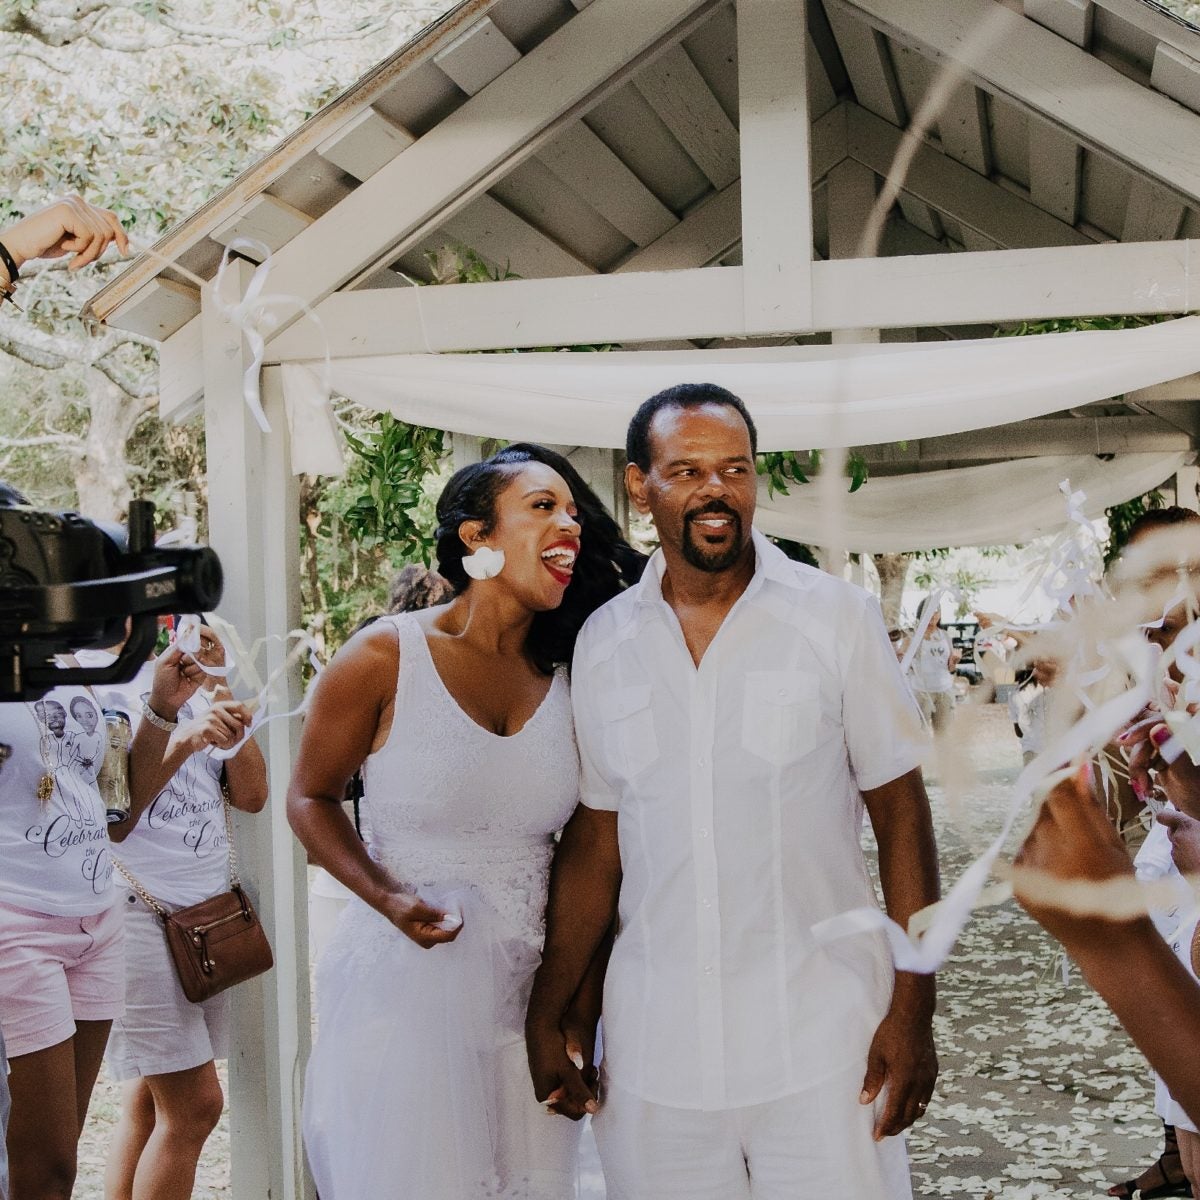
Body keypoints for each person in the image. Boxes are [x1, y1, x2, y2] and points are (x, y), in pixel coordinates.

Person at [526, 383, 940, 1199]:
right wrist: (555, 1003)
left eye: (736, 469)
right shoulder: (604, 644)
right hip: (655, 1054)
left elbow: (902, 815)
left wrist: (913, 1007)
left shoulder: (837, 618)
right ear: (641, 487)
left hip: (824, 1039)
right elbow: (597, 843)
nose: (716, 490)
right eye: (687, 470)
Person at [288, 444, 642, 1199]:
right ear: (477, 537)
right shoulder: (385, 657)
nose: (569, 526)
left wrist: (577, 1004)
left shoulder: (574, 674)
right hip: (409, 996)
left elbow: (592, 846)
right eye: (543, 507)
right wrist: (385, 896)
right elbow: (309, 797)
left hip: (533, 1004)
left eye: (575, 514)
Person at [93, 624, 266, 1200]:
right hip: (136, 912)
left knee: (148, 1103)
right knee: (194, 1108)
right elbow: (116, 818)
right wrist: (184, 735)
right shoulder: (93, 685)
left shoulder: (189, 675)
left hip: (203, 920)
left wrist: (217, 685)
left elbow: (253, 795)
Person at [911, 597, 958, 733]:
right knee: (921, 733)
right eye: (928, 611)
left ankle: (943, 755)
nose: (932, 615)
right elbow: (904, 660)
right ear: (921, 614)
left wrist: (954, 661)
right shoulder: (914, 636)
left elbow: (950, 668)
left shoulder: (944, 635)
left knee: (943, 732)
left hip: (944, 690)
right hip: (922, 692)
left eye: (936, 611)